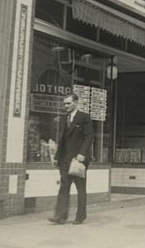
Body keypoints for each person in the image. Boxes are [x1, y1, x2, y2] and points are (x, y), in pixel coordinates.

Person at [48, 93, 94, 225]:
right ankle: (60, 216)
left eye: (68, 103)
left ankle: (80, 216)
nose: (66, 106)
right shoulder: (63, 119)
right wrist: (57, 157)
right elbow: (61, 139)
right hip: (65, 159)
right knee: (64, 187)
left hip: (79, 160)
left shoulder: (84, 117)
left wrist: (82, 153)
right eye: (64, 104)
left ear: (76, 102)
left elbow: (89, 136)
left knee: (80, 188)